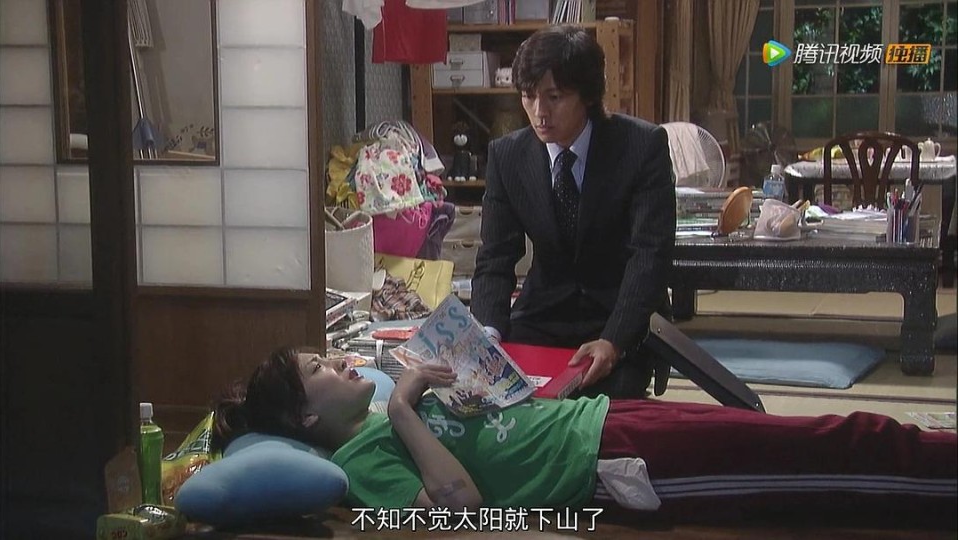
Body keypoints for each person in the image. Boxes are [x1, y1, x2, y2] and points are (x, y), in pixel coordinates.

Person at [211, 347, 957, 522]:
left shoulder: (378, 416)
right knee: (827, 454)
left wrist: (474, 380)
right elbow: (462, 509)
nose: (342, 362)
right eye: (321, 368)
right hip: (617, 465)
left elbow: (489, 430)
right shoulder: (362, 465)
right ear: (305, 420)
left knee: (809, 437)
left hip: (603, 417)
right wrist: (406, 409)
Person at [470, 24, 676, 399]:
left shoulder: (641, 146)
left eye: (555, 97)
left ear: (588, 95)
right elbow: (495, 257)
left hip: (618, 317)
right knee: (505, 397)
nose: (540, 112)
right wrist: (488, 334)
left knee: (605, 406)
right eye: (528, 96)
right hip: (542, 316)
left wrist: (614, 340)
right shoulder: (507, 156)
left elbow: (650, 256)